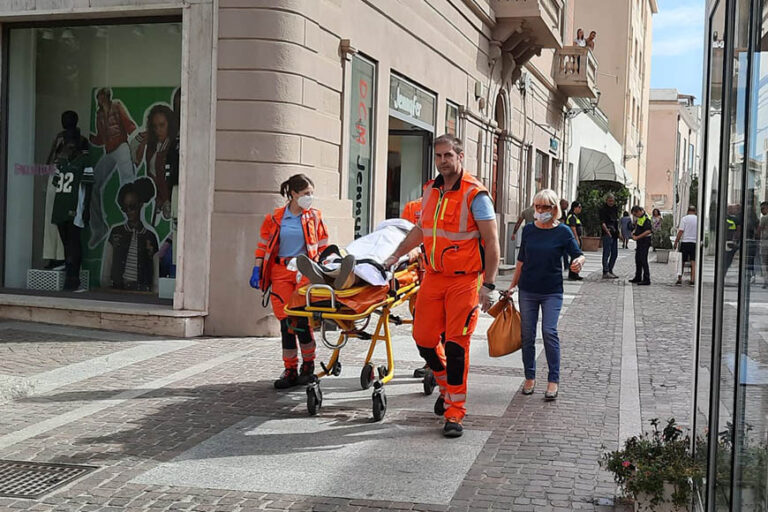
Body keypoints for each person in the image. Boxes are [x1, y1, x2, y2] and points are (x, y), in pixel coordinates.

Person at [383, 134, 500, 438]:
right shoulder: (430, 190)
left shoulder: (476, 194)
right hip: (433, 277)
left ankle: (455, 412)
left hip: (463, 280)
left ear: (460, 156)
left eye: (448, 155)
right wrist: (396, 254)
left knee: (456, 345)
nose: (443, 161)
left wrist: (488, 284)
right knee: (423, 339)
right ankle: (445, 383)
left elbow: (492, 242)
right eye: (438, 156)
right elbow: (421, 230)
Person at [250, 174, 329, 389]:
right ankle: (290, 368)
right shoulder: (275, 218)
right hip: (280, 272)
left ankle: (308, 365)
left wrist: (324, 266)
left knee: (301, 320)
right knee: (286, 322)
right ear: (293, 194)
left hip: (304, 271)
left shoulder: (314, 216)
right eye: (305, 193)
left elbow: (323, 246)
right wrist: (257, 269)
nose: (309, 197)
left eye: (311, 193)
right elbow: (263, 246)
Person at [508, 190, 585, 401]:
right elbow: (521, 260)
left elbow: (578, 254)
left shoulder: (563, 232)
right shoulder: (529, 230)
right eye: (537, 207)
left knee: (549, 332)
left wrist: (579, 262)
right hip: (528, 289)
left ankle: (553, 380)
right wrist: (513, 285)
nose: (540, 211)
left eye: (545, 207)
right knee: (527, 336)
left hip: (552, 290)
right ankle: (529, 377)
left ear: (554, 209)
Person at [89, 88, 138, 248]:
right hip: (109, 150)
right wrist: (90, 137)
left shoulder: (116, 106)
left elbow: (129, 125)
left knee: (128, 184)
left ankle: (132, 225)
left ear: (107, 97)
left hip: (122, 146)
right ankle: (99, 228)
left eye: (102, 97)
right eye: (99, 97)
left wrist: (136, 145)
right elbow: (100, 138)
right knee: (94, 183)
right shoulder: (99, 115)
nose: (100, 99)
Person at [51, 131, 90, 291]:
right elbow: (55, 182)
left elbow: (88, 185)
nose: (69, 147)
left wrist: (86, 209)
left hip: (73, 208)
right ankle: (71, 277)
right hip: (64, 208)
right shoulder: (63, 162)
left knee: (73, 243)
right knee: (68, 243)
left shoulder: (82, 161)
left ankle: (73, 279)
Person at [105, 178, 159, 292]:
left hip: (142, 290)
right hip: (118, 288)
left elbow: (156, 271)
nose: (129, 211)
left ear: (140, 205)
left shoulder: (150, 236)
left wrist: (155, 291)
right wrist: (106, 287)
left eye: (132, 206)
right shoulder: (116, 232)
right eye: (125, 208)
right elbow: (107, 263)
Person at [132, 104, 177, 220]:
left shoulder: (173, 145)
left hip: (168, 197)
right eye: (154, 126)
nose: (158, 130)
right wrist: (143, 145)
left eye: (162, 125)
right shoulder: (152, 143)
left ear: (169, 124)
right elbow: (133, 147)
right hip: (153, 197)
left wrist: (166, 199)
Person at [674, 205, 698, 285]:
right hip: (694, 243)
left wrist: (676, 241)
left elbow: (681, 231)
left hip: (685, 242)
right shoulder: (698, 219)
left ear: (688, 211)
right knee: (693, 262)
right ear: (695, 211)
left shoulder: (684, 219)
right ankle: (692, 280)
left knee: (682, 261)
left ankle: (680, 279)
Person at [629, 205, 652, 285]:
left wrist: (637, 237)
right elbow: (639, 227)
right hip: (640, 241)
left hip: (645, 241)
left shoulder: (646, 218)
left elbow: (648, 231)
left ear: (638, 211)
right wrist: (634, 233)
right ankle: (638, 277)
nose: (635, 216)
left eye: (635, 215)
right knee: (638, 259)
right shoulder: (640, 218)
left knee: (643, 260)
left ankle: (646, 279)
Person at [599, 193, 620, 278]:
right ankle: (605, 271)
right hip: (607, 233)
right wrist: (607, 231)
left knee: (614, 253)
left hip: (614, 233)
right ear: (606, 200)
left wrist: (619, 233)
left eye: (612, 201)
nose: (611, 202)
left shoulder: (615, 209)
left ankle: (610, 269)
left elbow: (616, 221)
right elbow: (602, 222)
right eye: (610, 200)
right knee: (606, 253)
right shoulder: (603, 209)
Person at [566, 201, 584, 281]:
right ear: (575, 207)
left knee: (575, 256)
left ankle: (574, 273)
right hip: (573, 239)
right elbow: (573, 228)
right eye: (579, 207)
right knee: (575, 256)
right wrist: (577, 239)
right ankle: (573, 274)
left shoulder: (574, 216)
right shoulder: (572, 216)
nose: (580, 209)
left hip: (575, 238)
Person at [759, 201, 768, 287]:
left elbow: (759, 230)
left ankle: (766, 282)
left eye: (763, 209)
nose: (761, 211)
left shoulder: (764, 218)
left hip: (765, 242)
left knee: (764, 263)